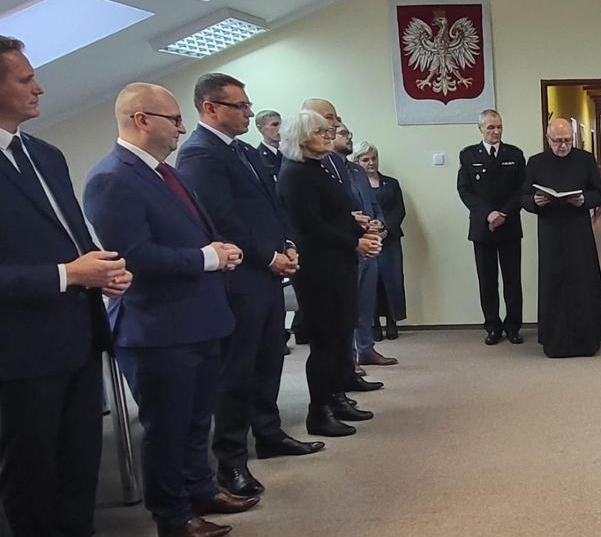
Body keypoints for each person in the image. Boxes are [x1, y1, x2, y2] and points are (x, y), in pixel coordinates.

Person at [83, 82, 256, 537]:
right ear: (141, 120)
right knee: (167, 427)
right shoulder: (111, 178)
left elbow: (193, 233)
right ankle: (173, 516)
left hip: (199, 317)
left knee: (198, 419)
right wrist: (207, 258)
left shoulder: (166, 173)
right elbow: (134, 256)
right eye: (174, 119)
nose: (182, 128)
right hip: (158, 326)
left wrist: (221, 249)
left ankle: (200, 487)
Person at [0, 35, 130, 537]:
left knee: (81, 466)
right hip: (18, 351)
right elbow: (63, 265)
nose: (40, 88)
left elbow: (74, 238)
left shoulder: (44, 154)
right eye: (26, 79)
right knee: (32, 475)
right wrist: (69, 274)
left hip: (79, 337)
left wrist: (105, 269)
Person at [175, 73, 325, 501]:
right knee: (236, 373)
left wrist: (288, 244)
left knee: (268, 361)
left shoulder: (242, 150)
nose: (249, 112)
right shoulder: (199, 154)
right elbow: (221, 217)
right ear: (210, 108)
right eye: (239, 106)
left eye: (247, 104)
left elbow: (273, 206)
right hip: (239, 278)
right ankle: (231, 459)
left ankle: (269, 433)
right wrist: (267, 256)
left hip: (268, 274)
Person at [277, 109, 382, 436]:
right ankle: (318, 412)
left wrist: (360, 229)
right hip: (317, 267)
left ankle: (337, 398)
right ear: (300, 138)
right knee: (325, 340)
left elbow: (336, 213)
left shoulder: (320, 167)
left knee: (340, 334)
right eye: (320, 131)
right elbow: (310, 227)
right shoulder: (294, 174)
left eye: (328, 130)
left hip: (338, 262)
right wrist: (355, 242)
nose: (328, 135)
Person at [301, 98, 387, 389]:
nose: (336, 125)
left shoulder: (347, 167)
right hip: (333, 252)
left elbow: (365, 204)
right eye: (330, 119)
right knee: (333, 324)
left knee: (360, 306)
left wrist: (374, 225)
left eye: (337, 120)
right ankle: (344, 369)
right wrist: (353, 230)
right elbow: (314, 220)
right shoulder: (302, 168)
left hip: (360, 242)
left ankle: (360, 356)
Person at [521, 118, 601, 357]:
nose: (563, 145)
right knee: (553, 284)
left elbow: (600, 194)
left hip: (578, 230)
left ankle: (587, 340)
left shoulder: (585, 160)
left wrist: (584, 200)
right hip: (550, 231)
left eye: (567, 140)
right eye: (558, 141)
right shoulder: (536, 162)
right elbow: (523, 197)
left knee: (583, 281)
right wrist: (534, 201)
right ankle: (554, 340)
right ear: (548, 140)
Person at [459, 109, 527, 345]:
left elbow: (522, 189)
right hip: (482, 228)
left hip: (509, 226)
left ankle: (513, 327)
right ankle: (492, 326)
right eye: (490, 127)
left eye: (499, 127)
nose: (496, 131)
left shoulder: (515, 154)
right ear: (480, 129)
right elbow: (465, 190)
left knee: (512, 280)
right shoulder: (468, 155)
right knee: (487, 281)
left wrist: (504, 213)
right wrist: (488, 214)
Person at [353, 141, 407, 342]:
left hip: (389, 239)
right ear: (357, 162)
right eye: (365, 159)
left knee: (392, 281)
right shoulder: (354, 185)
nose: (371, 163)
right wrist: (369, 228)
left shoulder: (391, 183)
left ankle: (392, 321)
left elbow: (399, 210)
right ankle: (373, 323)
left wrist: (384, 227)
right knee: (370, 283)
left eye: (373, 158)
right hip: (366, 239)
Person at [254, 109, 282, 180]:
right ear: (260, 128)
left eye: (281, 124)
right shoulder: (258, 157)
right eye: (275, 125)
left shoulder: (287, 152)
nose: (280, 128)